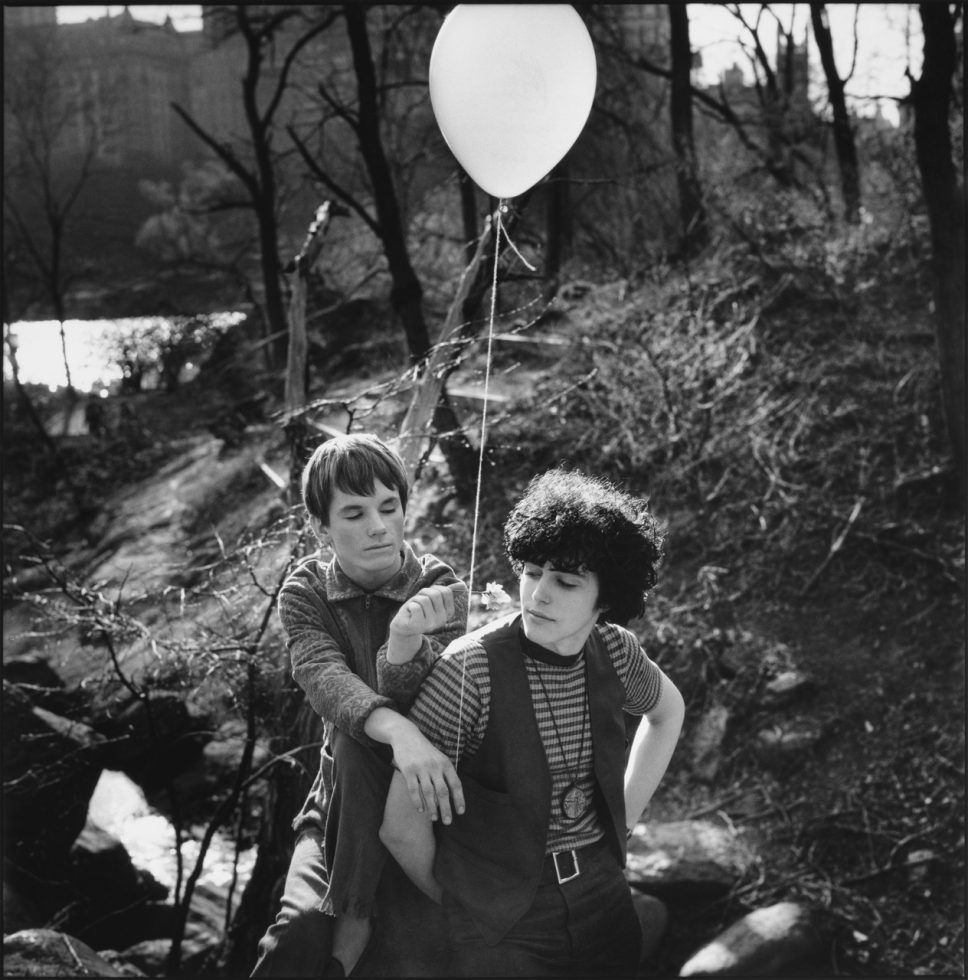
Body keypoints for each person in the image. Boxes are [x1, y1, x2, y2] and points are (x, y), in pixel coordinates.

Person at [378, 467, 685, 977]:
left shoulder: (616, 650)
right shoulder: (469, 670)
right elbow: (400, 827)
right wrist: (467, 906)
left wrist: (623, 823)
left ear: (606, 598)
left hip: (605, 892)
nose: (539, 594)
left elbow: (667, 712)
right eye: (531, 571)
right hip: (501, 921)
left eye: (565, 581)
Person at [252, 433, 468, 978]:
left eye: (389, 507)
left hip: (418, 800)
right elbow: (321, 675)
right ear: (320, 527)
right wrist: (397, 730)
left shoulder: (439, 586)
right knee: (296, 935)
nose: (378, 526)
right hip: (338, 805)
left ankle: (356, 919)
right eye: (354, 512)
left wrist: (403, 644)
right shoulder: (306, 590)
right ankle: (351, 915)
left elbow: (440, 703)